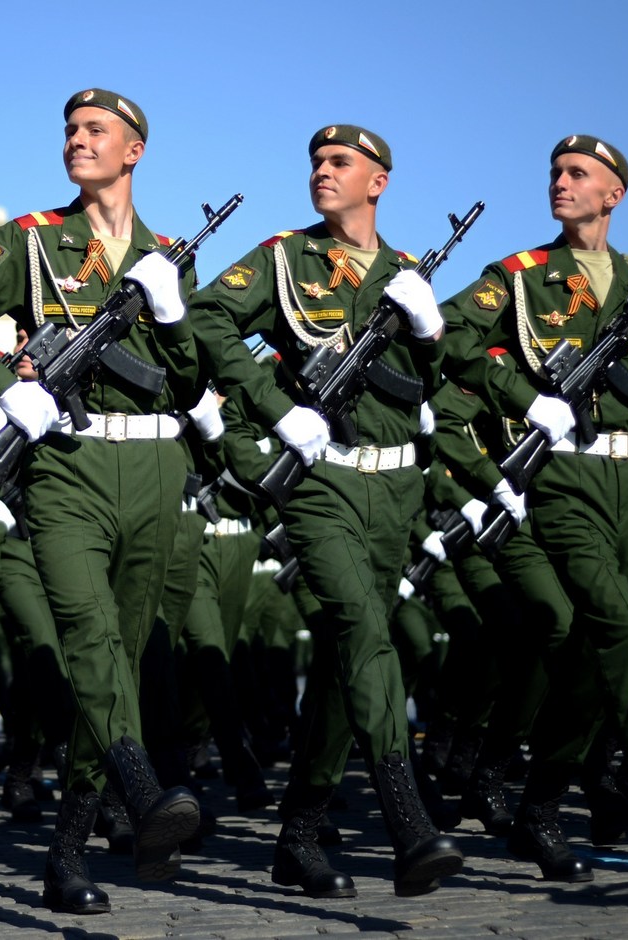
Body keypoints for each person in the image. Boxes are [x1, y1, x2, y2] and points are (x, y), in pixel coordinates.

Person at [0, 88, 204, 914]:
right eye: (70, 129)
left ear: (134, 150)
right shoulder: (34, 241)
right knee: (90, 636)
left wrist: (175, 315)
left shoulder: (168, 256)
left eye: (95, 130)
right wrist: (2, 385)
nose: (77, 139)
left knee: (125, 657)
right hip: (68, 463)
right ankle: (140, 790)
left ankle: (68, 851)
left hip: (155, 465)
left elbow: (190, 381)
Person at [439, 135, 628, 898]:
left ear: (614, 194)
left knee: (592, 661)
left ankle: (539, 808)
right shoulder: (519, 276)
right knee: (624, 632)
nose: (561, 184)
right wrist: (518, 394)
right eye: (556, 173)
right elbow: (448, 335)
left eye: (578, 175)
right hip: (567, 480)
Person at [188, 124, 461, 899]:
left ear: (378, 182)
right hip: (320, 480)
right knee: (366, 635)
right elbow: (207, 318)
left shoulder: (406, 274)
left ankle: (300, 833)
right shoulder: (285, 257)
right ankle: (408, 822)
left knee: (350, 660)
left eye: (340, 162)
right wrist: (277, 409)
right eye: (316, 161)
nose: (322, 171)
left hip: (395, 490)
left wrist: (432, 331)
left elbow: (435, 383)